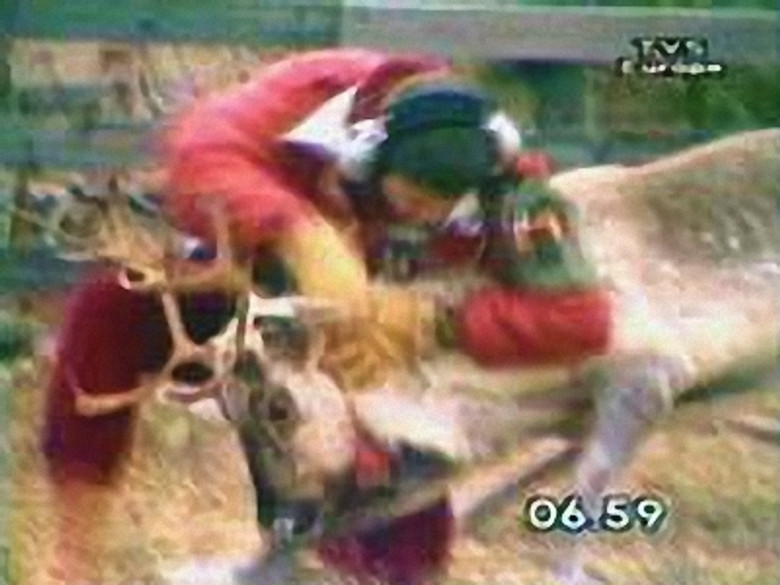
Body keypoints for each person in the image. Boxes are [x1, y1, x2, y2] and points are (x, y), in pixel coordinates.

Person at [41, 48, 611, 585]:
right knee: (111, 311)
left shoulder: (516, 191)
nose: (421, 218)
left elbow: (580, 319)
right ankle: (72, 563)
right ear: (367, 157)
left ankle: (365, 565)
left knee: (391, 537)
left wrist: (431, 321)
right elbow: (199, 149)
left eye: (441, 209)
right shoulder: (319, 90)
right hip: (259, 296)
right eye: (411, 201)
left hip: (384, 362)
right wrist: (298, 232)